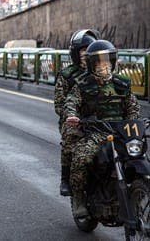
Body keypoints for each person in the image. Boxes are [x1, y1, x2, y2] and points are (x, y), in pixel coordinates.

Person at [64, 40, 140, 218]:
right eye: (98, 62)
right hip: (96, 132)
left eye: (106, 61)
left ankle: (138, 191)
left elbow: (133, 106)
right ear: (91, 64)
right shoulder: (83, 85)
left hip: (122, 132)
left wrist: (134, 122)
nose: (103, 65)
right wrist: (72, 115)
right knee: (81, 158)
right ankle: (78, 199)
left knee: (139, 154)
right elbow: (71, 102)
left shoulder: (122, 84)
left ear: (112, 62)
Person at [54, 29, 100, 196]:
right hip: (75, 121)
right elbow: (59, 104)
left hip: (101, 120)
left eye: (88, 50)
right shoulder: (67, 75)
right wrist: (72, 117)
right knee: (69, 138)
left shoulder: (102, 72)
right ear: (75, 53)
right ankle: (66, 179)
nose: (85, 54)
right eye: (82, 50)